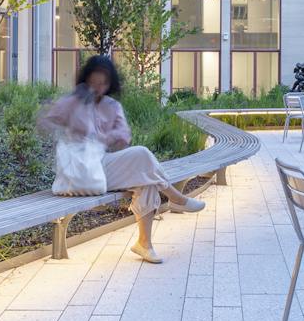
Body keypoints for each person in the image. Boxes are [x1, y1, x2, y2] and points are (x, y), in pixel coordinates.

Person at [37, 55, 205, 264]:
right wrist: (70, 131)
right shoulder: (73, 102)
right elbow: (44, 121)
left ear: (110, 84)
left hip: (104, 165)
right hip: (81, 170)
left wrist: (102, 137)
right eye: (93, 82)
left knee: (144, 172)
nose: (97, 87)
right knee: (144, 166)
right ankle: (176, 199)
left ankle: (145, 243)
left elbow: (124, 138)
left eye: (103, 83)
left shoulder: (112, 106)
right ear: (85, 79)